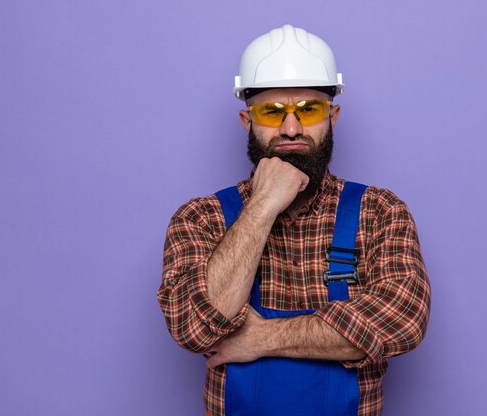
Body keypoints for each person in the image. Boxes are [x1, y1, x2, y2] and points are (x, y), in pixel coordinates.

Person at [158, 24, 431, 416]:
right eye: (271, 112)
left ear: (333, 117)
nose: (291, 128)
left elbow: (403, 320)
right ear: (246, 121)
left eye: (309, 110)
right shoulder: (200, 218)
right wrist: (263, 204)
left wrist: (262, 338)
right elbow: (195, 326)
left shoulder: (379, 212)